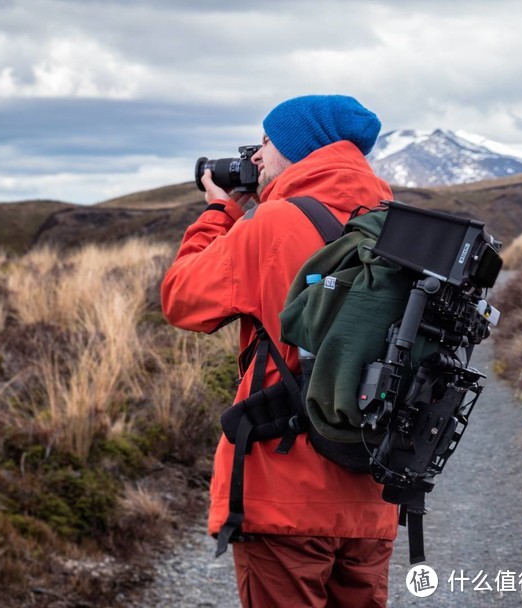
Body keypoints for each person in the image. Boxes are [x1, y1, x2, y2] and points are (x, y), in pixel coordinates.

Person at [161, 95, 399, 607]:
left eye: (266, 143)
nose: (256, 158)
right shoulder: (396, 226)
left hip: (285, 488)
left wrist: (219, 213)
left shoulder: (269, 225)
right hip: (372, 493)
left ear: (296, 147)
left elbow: (182, 300)